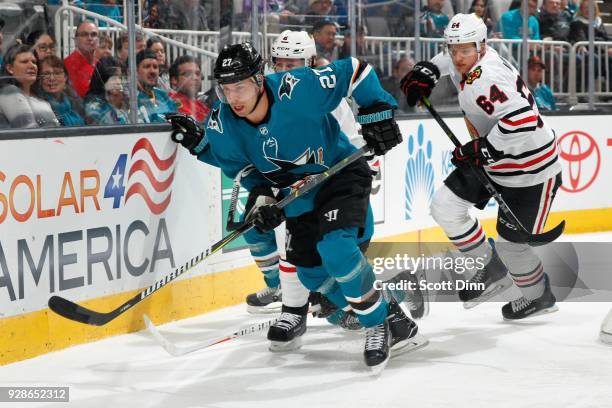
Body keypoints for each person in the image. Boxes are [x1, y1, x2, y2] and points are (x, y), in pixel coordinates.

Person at [167, 42, 421, 371]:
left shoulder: (297, 88)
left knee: (336, 248)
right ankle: (390, 311)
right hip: (298, 195)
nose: (234, 98)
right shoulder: (223, 120)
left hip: (339, 175)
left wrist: (376, 113)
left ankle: (377, 327)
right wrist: (262, 197)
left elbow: (356, 71)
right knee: (311, 275)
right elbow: (240, 167)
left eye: (240, 87)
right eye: (226, 89)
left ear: (259, 80)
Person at [401, 13, 562, 320]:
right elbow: (452, 59)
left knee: (513, 246)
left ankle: (540, 296)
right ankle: (490, 267)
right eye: (453, 49)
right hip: (497, 159)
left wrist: (484, 148)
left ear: (482, 46)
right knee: (445, 207)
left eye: (465, 50)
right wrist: (430, 69)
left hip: (532, 169)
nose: (458, 57)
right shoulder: (477, 57)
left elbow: (524, 121)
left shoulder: (486, 78)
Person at [0, 44, 59, 128]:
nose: (32, 66)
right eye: (24, 61)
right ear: (10, 68)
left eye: (34, 62)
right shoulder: (9, 92)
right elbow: (29, 133)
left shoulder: (41, 98)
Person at [36, 55, 86, 126]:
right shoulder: (38, 106)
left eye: (57, 73)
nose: (52, 78)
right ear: (40, 80)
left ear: (65, 77)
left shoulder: (76, 103)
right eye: (46, 74)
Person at [85, 56, 129, 125]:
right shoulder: (93, 106)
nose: (118, 82)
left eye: (120, 77)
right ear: (103, 78)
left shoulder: (119, 99)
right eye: (114, 77)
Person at [135, 49, 176, 123]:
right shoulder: (129, 98)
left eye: (155, 67)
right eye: (147, 67)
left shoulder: (163, 96)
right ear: (135, 71)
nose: (152, 71)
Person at [168, 55, 210, 122]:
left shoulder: (200, 104)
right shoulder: (169, 102)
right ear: (174, 80)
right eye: (188, 74)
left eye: (197, 74)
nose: (195, 78)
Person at [64, 20, 99, 98]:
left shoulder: (100, 64)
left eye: (94, 34)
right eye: (84, 34)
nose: (90, 38)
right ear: (76, 40)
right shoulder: (66, 66)